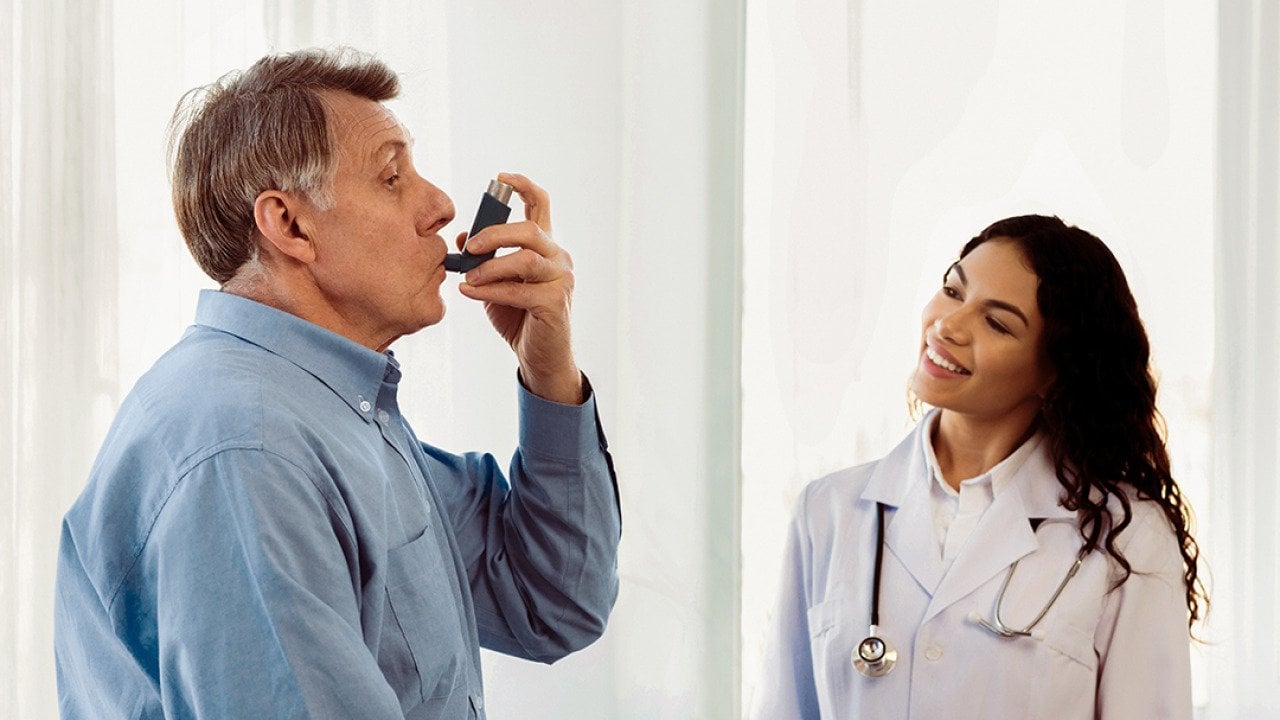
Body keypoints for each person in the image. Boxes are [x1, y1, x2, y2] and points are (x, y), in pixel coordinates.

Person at [54, 48, 620, 719]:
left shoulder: (331, 411)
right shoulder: (250, 453)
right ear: (290, 225)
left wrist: (548, 374)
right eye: (391, 177)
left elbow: (550, 602)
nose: (439, 205)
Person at [750, 215, 1206, 720]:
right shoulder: (829, 511)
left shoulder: (1125, 537)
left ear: (1056, 373)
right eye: (952, 290)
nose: (948, 325)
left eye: (997, 322)